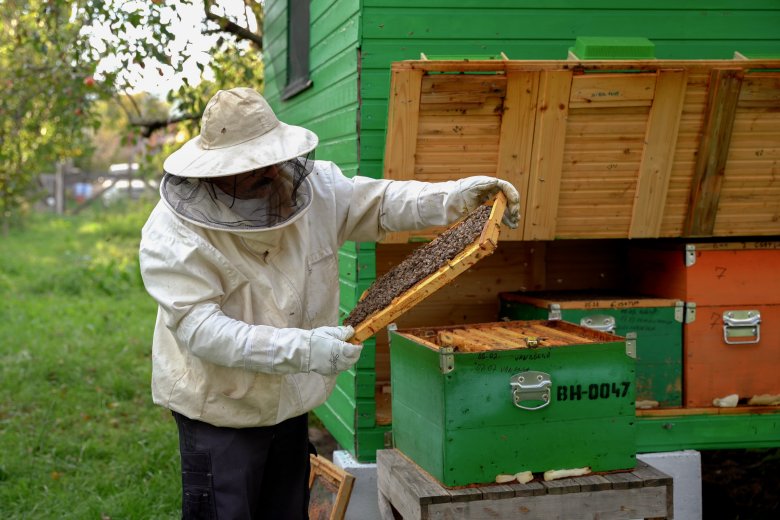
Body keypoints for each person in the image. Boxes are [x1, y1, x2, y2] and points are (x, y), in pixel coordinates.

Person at [138, 87, 520, 519]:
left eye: (272, 165)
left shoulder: (314, 187)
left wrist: (457, 197)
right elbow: (201, 331)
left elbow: (381, 204)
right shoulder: (174, 234)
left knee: (286, 510)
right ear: (215, 177)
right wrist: (305, 349)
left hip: (289, 404)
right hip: (219, 410)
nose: (271, 178)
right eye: (252, 174)